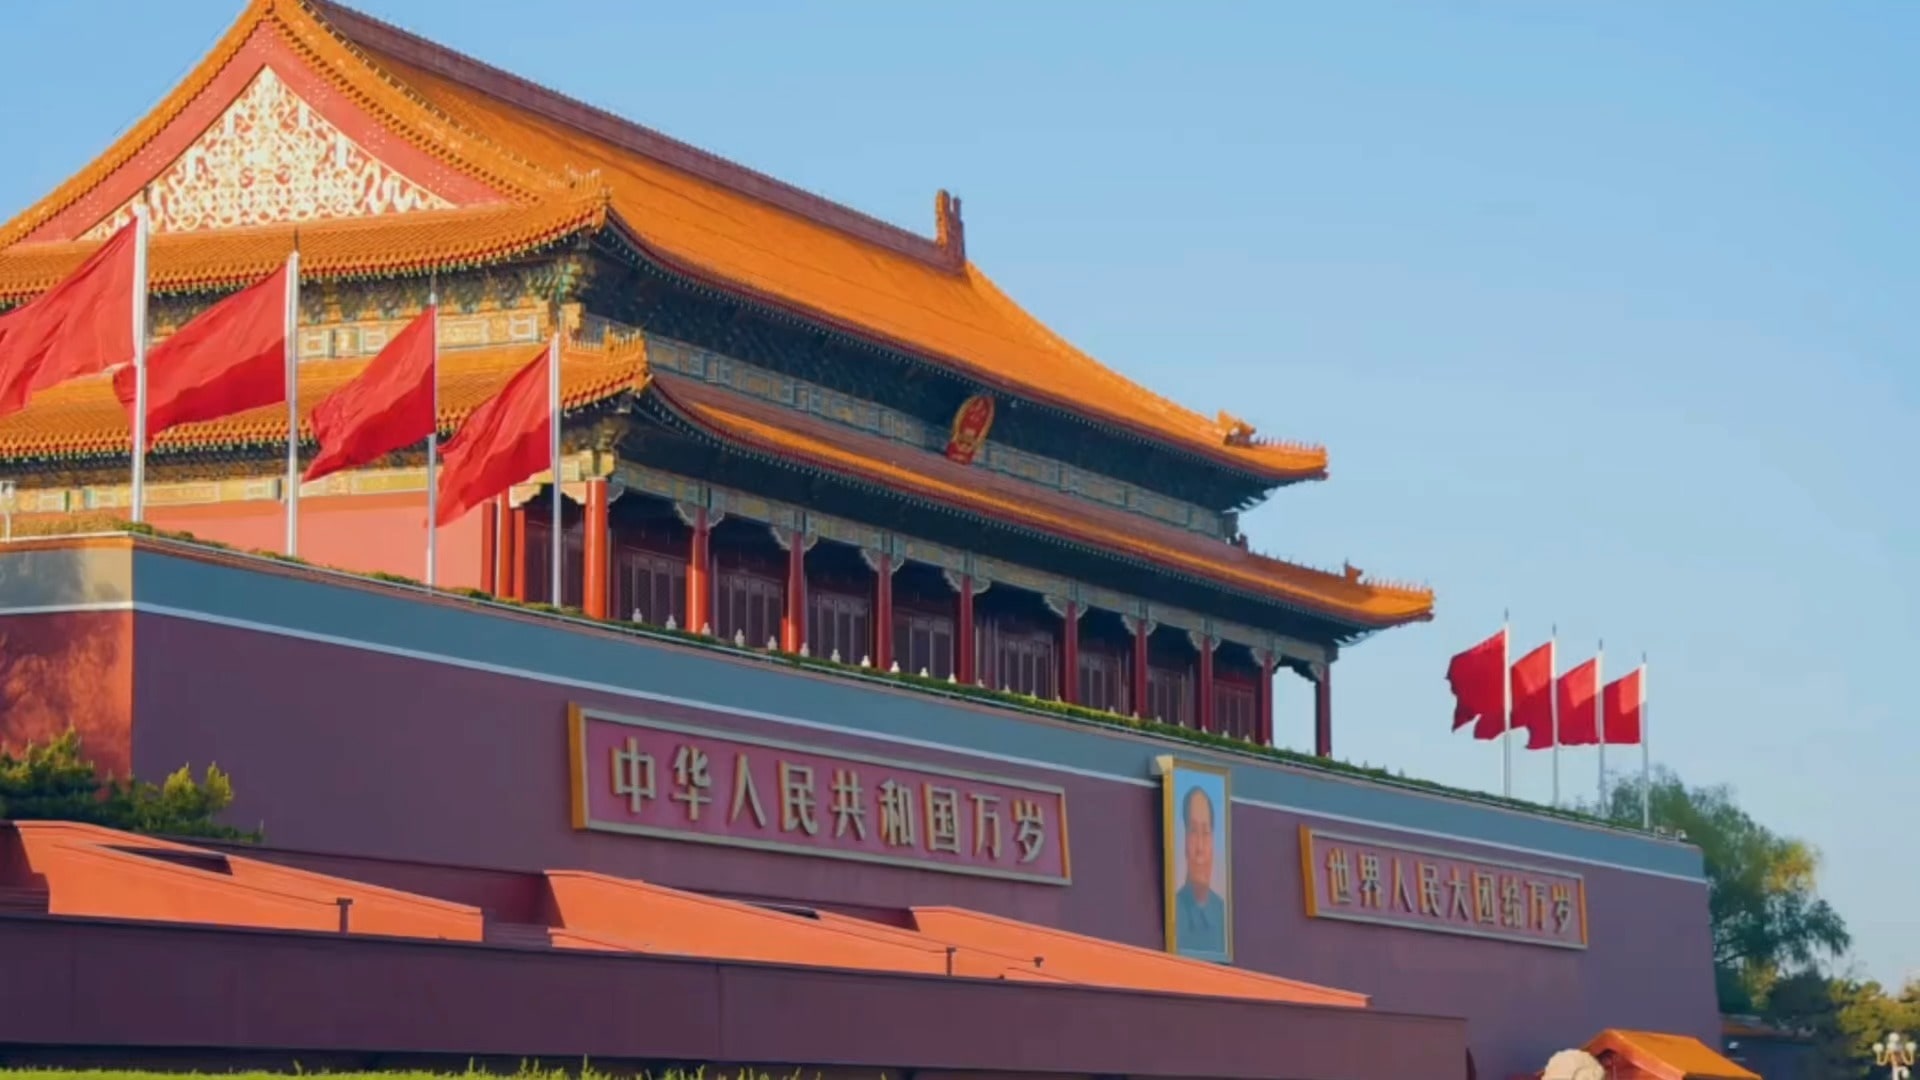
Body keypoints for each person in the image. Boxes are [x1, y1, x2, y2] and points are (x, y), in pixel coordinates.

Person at [1174, 783, 1226, 956]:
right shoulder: (1175, 911)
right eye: (1193, 831)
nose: (1200, 849)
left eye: (1206, 832)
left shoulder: (1222, 912)